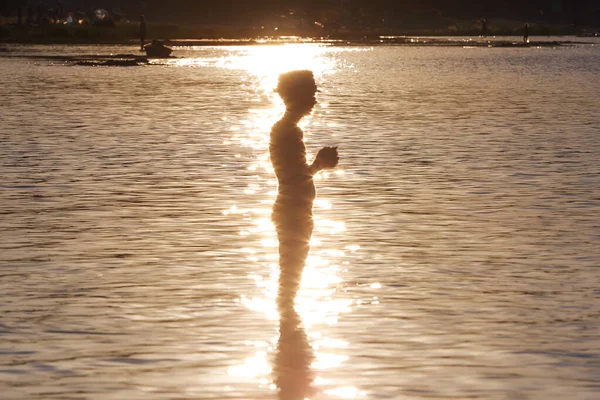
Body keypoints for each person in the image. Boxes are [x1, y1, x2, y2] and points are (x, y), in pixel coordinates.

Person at [269, 70, 339, 309]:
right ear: (295, 96)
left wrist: (318, 165)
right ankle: (289, 336)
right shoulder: (288, 130)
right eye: (310, 94)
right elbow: (294, 178)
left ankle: (289, 336)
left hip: (294, 211)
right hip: (293, 213)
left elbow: (295, 175)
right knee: (289, 284)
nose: (314, 100)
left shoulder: (286, 129)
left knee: (290, 282)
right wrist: (320, 164)